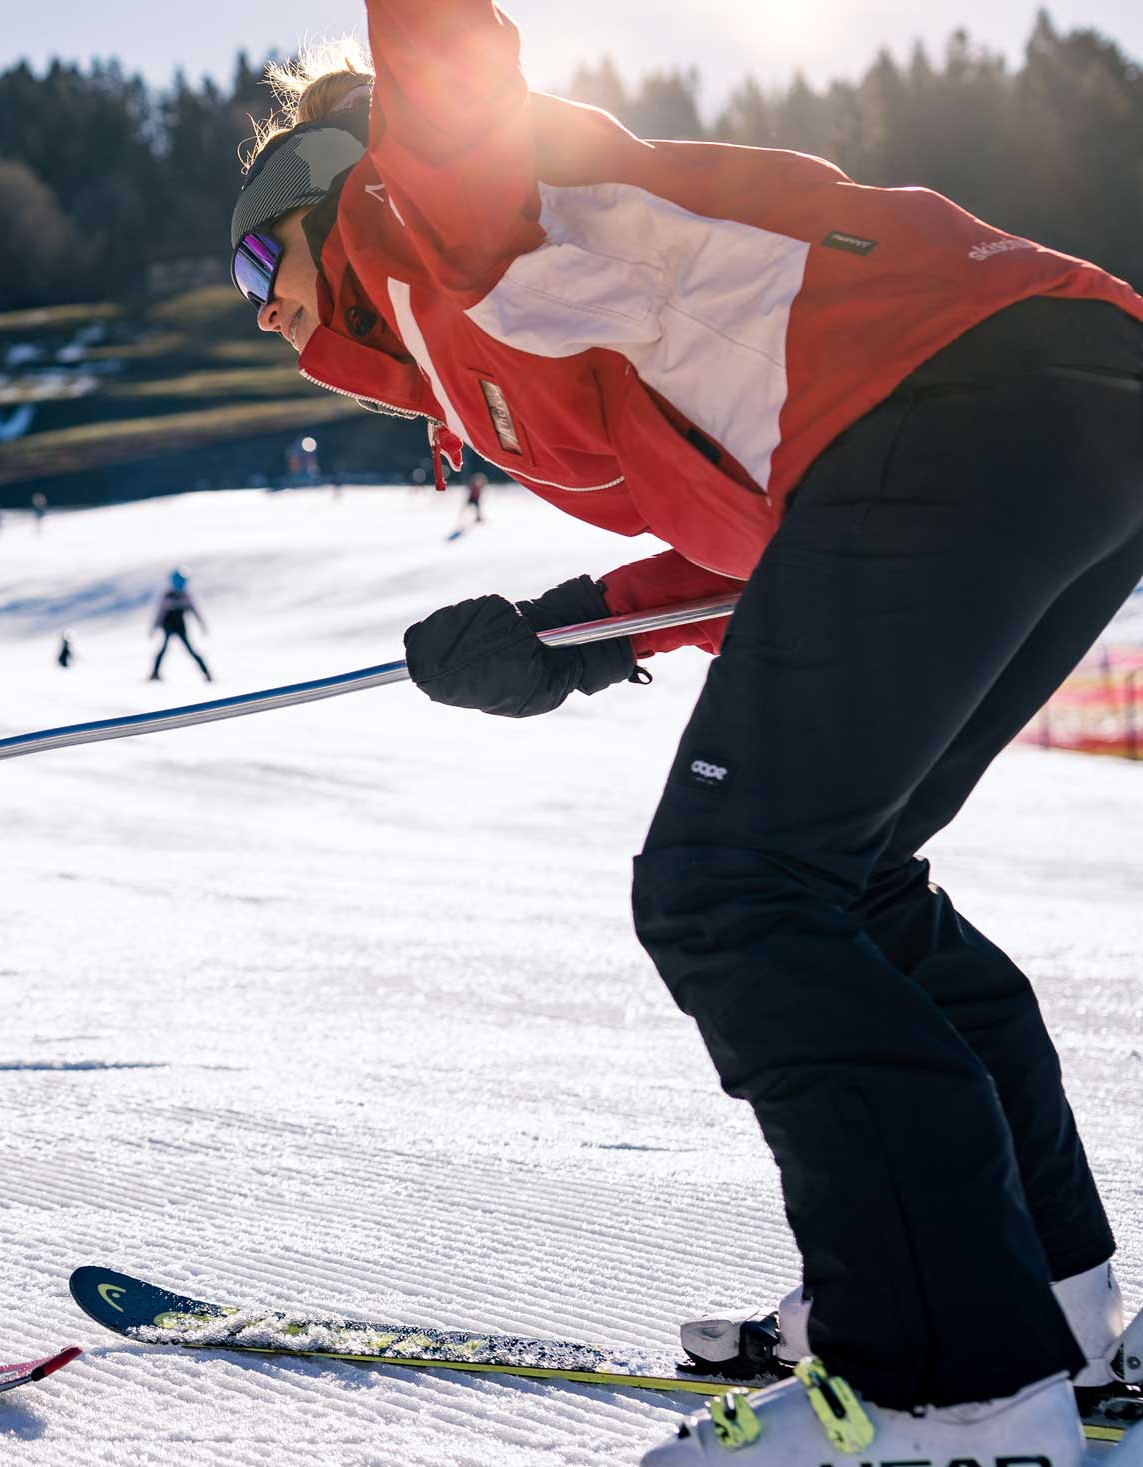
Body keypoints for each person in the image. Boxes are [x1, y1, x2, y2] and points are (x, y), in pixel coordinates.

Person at [229, 11, 1143, 1465]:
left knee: (733, 887)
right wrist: (575, 635)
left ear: (346, 184)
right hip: (1052, 411)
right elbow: (777, 538)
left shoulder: (432, 217)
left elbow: (441, 49)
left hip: (963, 404)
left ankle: (943, 1392)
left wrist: (407, 122)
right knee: (844, 881)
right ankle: (1036, 1297)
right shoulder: (504, 324)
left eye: (259, 258)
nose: (259, 305)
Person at [149, 568, 212, 683]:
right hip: (168, 627)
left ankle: (207, 673)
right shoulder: (167, 595)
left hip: (180, 627)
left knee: (190, 650)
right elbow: (160, 613)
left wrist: (201, 624)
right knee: (163, 650)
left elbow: (194, 610)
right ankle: (154, 673)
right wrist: (154, 627)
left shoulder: (185, 595)